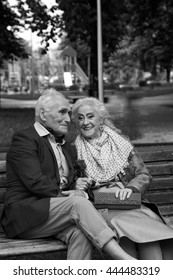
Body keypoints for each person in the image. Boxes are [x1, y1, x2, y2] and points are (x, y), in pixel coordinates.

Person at [0, 89, 136, 260]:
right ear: (43, 114)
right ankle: (124, 259)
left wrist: (77, 185)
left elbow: (67, 182)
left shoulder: (67, 148)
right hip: (26, 216)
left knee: (81, 233)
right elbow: (35, 182)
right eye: (62, 112)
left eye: (69, 113)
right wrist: (70, 194)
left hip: (54, 216)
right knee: (77, 204)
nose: (68, 119)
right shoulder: (25, 139)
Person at [71, 97, 173, 260]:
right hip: (101, 205)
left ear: (101, 119)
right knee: (142, 234)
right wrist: (77, 184)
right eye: (80, 117)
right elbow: (68, 185)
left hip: (129, 201)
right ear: (76, 122)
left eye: (90, 116)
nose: (85, 122)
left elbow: (143, 175)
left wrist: (130, 189)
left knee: (151, 240)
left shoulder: (121, 143)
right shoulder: (74, 151)